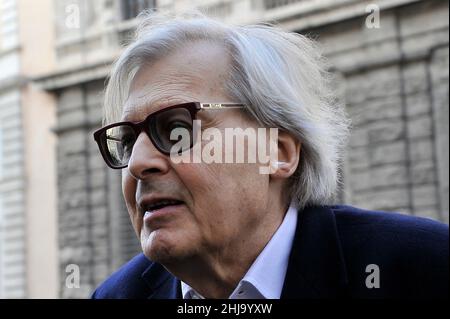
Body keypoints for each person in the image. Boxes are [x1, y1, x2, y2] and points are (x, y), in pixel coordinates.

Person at [91, 11, 448, 299]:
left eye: (176, 130)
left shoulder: (424, 268)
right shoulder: (117, 296)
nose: (137, 163)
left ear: (278, 152)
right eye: (127, 142)